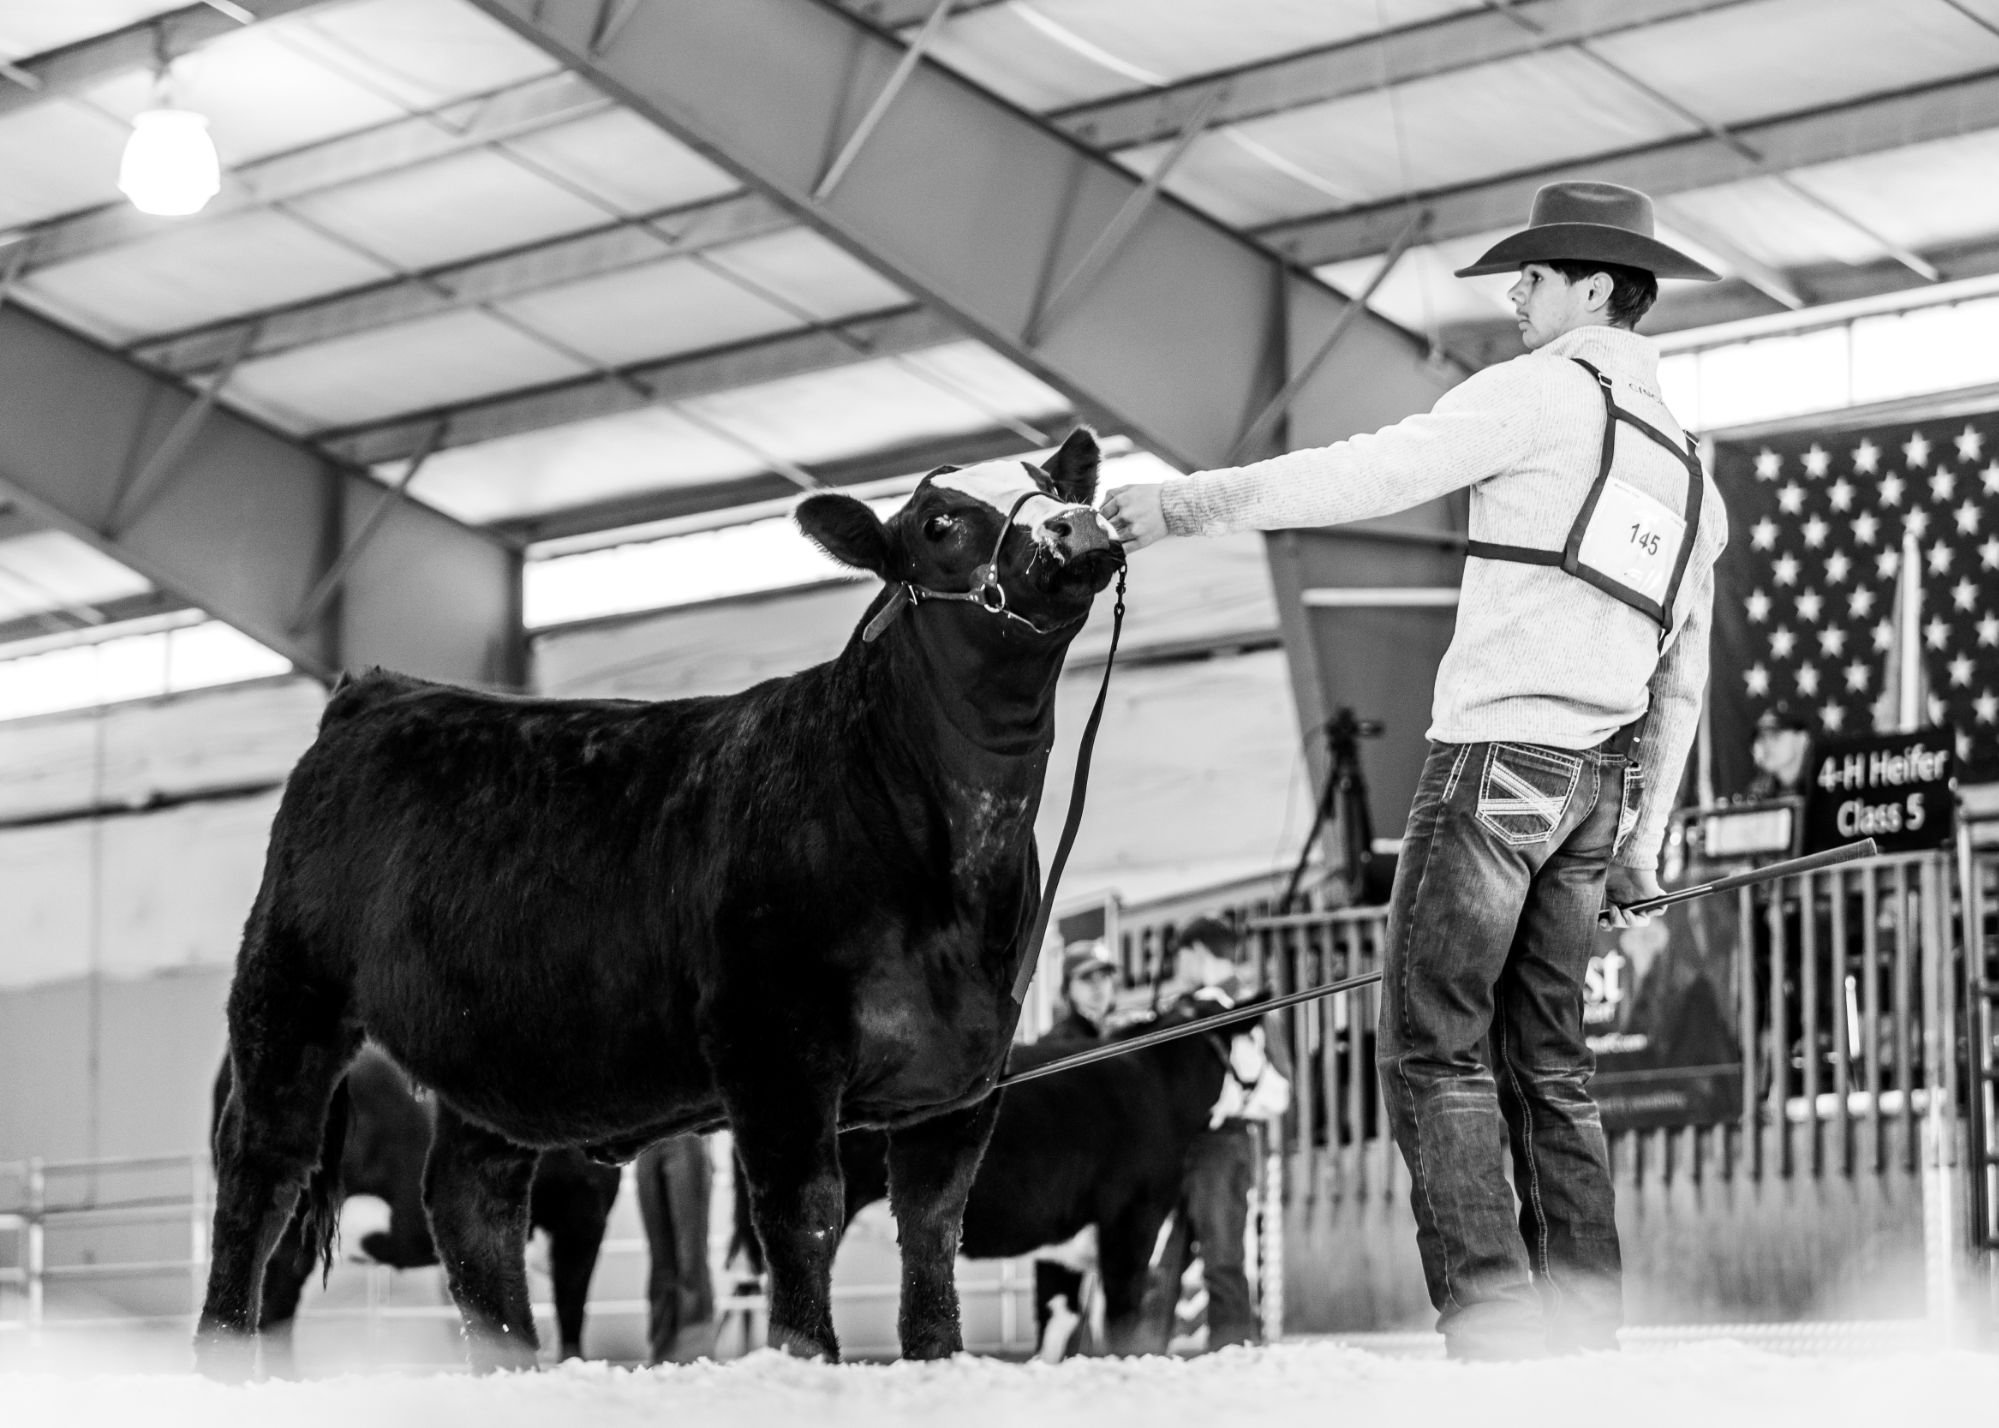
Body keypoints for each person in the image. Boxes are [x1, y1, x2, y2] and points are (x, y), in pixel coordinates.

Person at [1102, 181, 1727, 1359]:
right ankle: (1580, 1332)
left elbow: (1368, 474)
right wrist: (1644, 844)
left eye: (1533, 276)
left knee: (1433, 1045)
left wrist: (1181, 507)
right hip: (1595, 789)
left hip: (1496, 764)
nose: (1514, 295)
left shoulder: (1537, 395)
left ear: (1595, 287)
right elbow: (1681, 682)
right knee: (1551, 1066)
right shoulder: (1693, 474)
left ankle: (1492, 1323)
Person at [1145, 916, 1290, 1351]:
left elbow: (1281, 1090)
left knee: (1223, 1259)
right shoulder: (1182, 1007)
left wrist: (1232, 1096)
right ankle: (1142, 1357)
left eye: (1179, 957)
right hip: (1178, 1144)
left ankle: (1232, 1357)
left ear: (1195, 953)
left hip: (1223, 1142)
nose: (1178, 968)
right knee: (1161, 1263)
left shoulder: (1246, 1006)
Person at [1031, 941, 1121, 1356]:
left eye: (1105, 977)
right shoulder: (1056, 1044)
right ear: (1067, 988)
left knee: (1101, 1313)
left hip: (1102, 1194)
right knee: (1060, 1315)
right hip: (1064, 1199)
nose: (1099, 987)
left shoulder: (1117, 1036)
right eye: (1087, 979)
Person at [633, 1134, 717, 1365]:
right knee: (660, 1263)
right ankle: (663, 1354)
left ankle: (696, 1355)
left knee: (691, 1259)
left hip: (688, 1135)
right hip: (646, 1140)